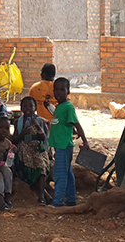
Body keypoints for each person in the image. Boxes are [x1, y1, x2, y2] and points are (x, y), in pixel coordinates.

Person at [48, 77, 88, 208]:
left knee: (59, 174)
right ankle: (71, 199)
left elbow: (77, 124)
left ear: (68, 91)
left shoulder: (68, 107)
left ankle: (58, 201)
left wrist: (85, 141)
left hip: (64, 146)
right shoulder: (60, 107)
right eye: (56, 90)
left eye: (62, 90)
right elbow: (68, 125)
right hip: (60, 145)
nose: (58, 93)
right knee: (68, 174)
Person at [13, 95, 52, 205]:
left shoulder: (39, 121)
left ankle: (42, 196)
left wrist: (38, 128)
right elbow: (14, 139)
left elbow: (44, 138)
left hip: (37, 149)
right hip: (24, 149)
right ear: (21, 108)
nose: (28, 109)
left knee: (41, 166)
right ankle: (44, 194)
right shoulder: (19, 122)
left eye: (31, 106)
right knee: (29, 170)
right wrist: (22, 134)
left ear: (35, 108)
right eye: (25, 106)